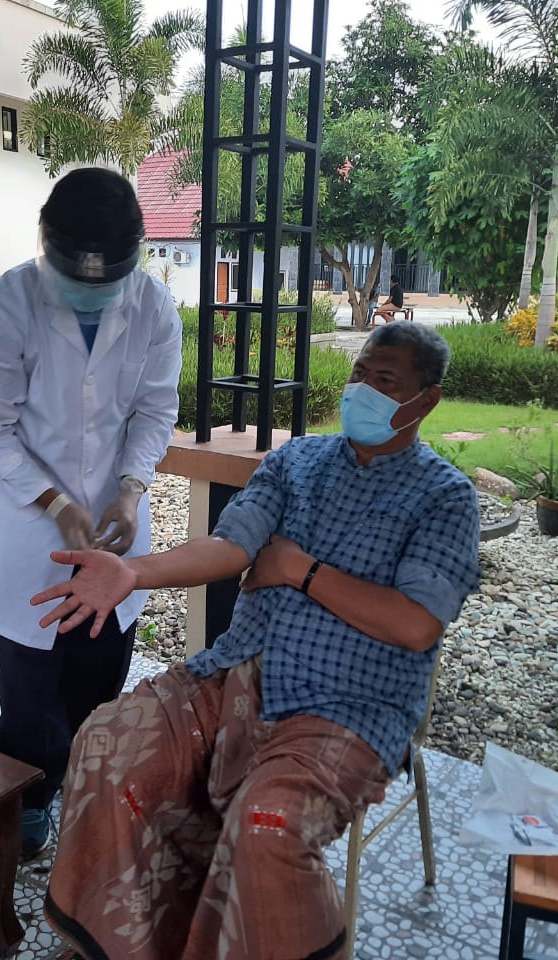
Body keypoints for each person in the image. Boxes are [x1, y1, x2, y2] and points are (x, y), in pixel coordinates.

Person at [32, 323, 482, 960]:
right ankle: (132, 946)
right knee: (108, 744)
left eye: (385, 381)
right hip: (238, 671)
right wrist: (135, 571)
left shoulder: (444, 497)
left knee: (268, 824)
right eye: (359, 373)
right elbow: (230, 545)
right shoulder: (296, 462)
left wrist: (299, 569)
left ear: (425, 400)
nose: (362, 390)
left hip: (350, 703)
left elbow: (416, 623)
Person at [0, 167, 182, 858]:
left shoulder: (153, 306)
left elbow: (155, 410)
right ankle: (28, 797)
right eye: (79, 273)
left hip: (116, 528)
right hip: (32, 530)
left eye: (109, 275)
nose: (95, 288)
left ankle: (85, 788)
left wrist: (132, 487)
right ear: (46, 242)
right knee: (30, 689)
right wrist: (53, 501)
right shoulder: (4, 305)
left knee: (99, 674)